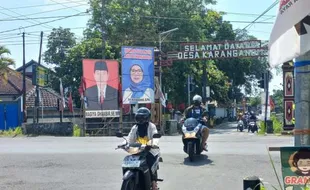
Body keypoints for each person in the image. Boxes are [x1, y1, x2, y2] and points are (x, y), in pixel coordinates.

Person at [127, 107, 160, 190]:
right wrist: (125, 144)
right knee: (128, 160)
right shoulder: (135, 127)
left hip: (150, 150)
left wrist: (152, 144)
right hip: (137, 149)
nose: (140, 120)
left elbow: (155, 137)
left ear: (147, 118)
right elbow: (130, 138)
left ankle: (153, 183)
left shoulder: (151, 126)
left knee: (150, 162)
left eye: (143, 118)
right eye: (139, 117)